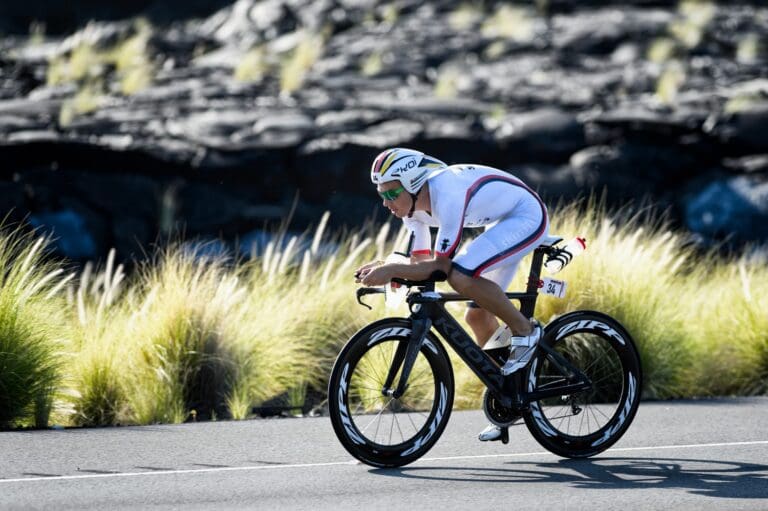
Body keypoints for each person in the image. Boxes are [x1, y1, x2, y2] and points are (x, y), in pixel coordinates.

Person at [354, 147, 550, 442]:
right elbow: (421, 263)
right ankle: (509, 396)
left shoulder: (447, 193)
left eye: (392, 193)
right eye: (381, 194)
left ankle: (526, 330)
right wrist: (387, 266)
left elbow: (442, 268)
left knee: (461, 274)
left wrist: (393, 269)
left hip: (526, 215)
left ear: (413, 183)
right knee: (477, 317)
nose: (386, 202)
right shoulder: (412, 210)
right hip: (497, 222)